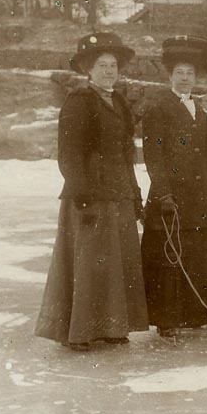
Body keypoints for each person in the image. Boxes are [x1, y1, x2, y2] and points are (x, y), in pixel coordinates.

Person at [35, 32, 148, 351]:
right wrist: (82, 195)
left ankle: (112, 327)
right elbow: (69, 154)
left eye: (113, 65)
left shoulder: (120, 101)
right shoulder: (80, 101)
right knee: (89, 262)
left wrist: (134, 193)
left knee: (115, 263)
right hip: (90, 196)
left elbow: (127, 153)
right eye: (102, 65)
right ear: (88, 69)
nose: (109, 71)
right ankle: (80, 331)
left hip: (119, 192)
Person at [140, 35, 207, 338]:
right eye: (179, 73)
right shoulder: (158, 107)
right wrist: (163, 192)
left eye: (190, 73)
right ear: (170, 75)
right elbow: (153, 154)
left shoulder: (198, 109)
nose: (185, 78)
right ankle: (166, 318)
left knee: (196, 253)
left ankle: (196, 313)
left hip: (197, 195)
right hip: (170, 196)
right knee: (169, 256)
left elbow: (204, 154)